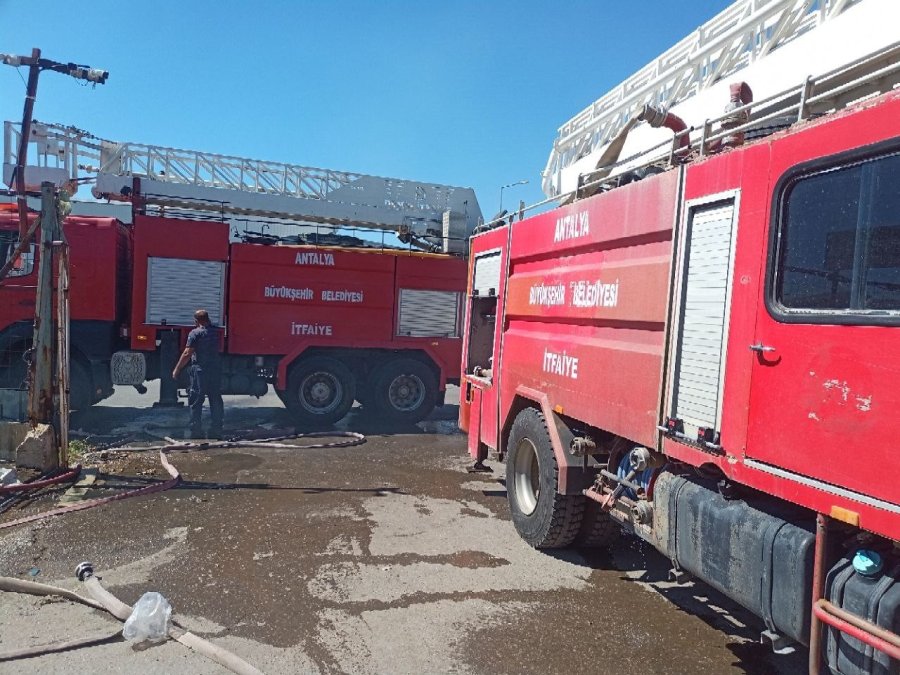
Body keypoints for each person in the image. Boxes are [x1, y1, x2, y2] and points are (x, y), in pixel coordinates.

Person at [172, 309, 224, 439]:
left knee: (196, 399)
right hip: (215, 369)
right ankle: (217, 429)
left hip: (200, 370)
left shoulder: (195, 333)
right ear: (208, 319)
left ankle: (196, 431)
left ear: (196, 321)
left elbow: (187, 353)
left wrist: (177, 369)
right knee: (215, 398)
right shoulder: (214, 332)